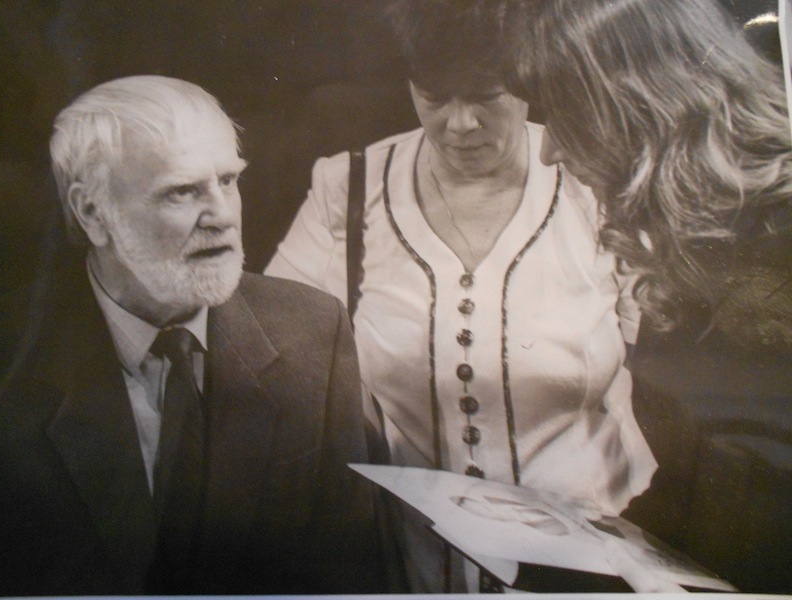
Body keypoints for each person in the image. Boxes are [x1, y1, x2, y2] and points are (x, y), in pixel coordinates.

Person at [265, 0, 657, 592]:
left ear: (528, 82)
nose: (459, 123)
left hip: (592, 565)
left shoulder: (593, 181)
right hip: (406, 566)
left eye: (485, 96)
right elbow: (273, 358)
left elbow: (646, 339)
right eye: (433, 96)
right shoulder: (348, 187)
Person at [0, 75, 385, 596]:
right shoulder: (7, 354)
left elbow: (349, 571)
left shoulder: (313, 331)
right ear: (92, 212)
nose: (222, 216)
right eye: (181, 192)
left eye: (228, 180)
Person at [508, 0, 792, 593]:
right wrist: (571, 565)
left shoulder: (775, 238)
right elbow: (703, 486)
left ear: (637, 107)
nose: (548, 151)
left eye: (564, 118)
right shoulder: (696, 246)